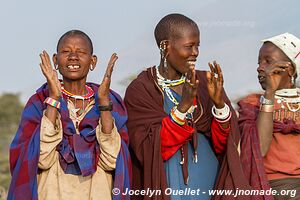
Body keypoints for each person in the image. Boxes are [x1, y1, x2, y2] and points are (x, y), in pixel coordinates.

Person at [124, 13, 250, 200]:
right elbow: (149, 148)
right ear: (165, 46)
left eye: (197, 45)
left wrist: (219, 105)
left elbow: (225, 144)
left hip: (209, 179)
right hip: (166, 182)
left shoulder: (206, 82)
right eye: (189, 46)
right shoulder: (142, 89)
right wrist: (183, 107)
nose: (195, 52)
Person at [8, 30, 131, 200]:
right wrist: (53, 99)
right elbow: (41, 159)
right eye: (66, 52)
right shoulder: (39, 101)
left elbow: (112, 161)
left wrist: (103, 104)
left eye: (80, 52)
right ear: (55, 60)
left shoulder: (111, 102)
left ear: (93, 61)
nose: (73, 57)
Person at [238, 33, 300, 200]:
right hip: (270, 188)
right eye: (259, 62)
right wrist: (270, 95)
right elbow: (260, 148)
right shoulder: (252, 104)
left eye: (268, 61)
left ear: (290, 69)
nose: (260, 67)